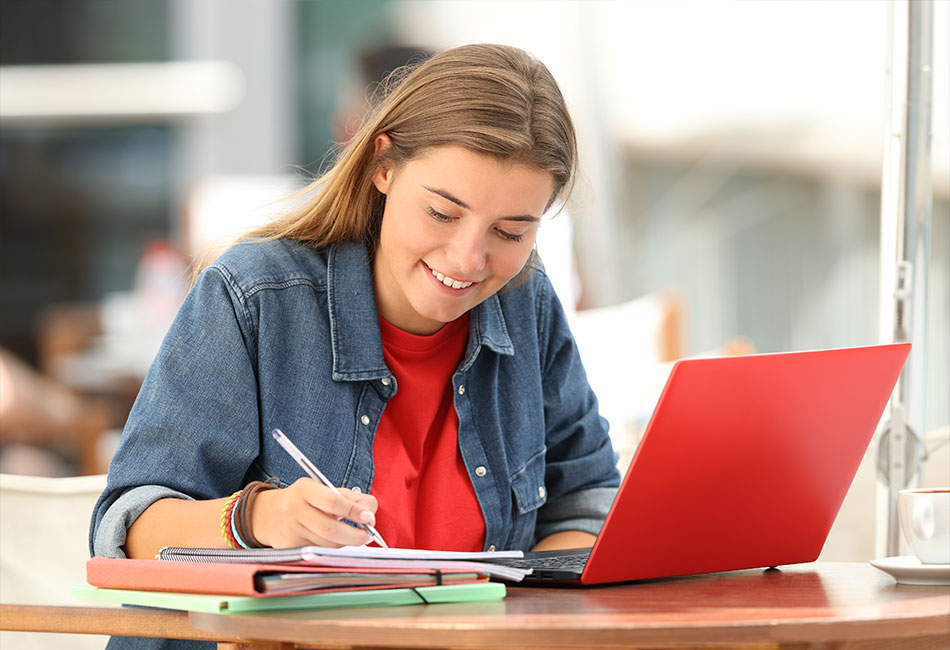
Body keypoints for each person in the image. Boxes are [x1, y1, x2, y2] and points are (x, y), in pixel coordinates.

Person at [90, 43, 620, 649]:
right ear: (383, 165)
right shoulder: (256, 296)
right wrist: (259, 519)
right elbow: (127, 529)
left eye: (510, 231)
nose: (469, 260)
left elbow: (586, 507)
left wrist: (516, 617)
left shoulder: (525, 299)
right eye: (443, 214)